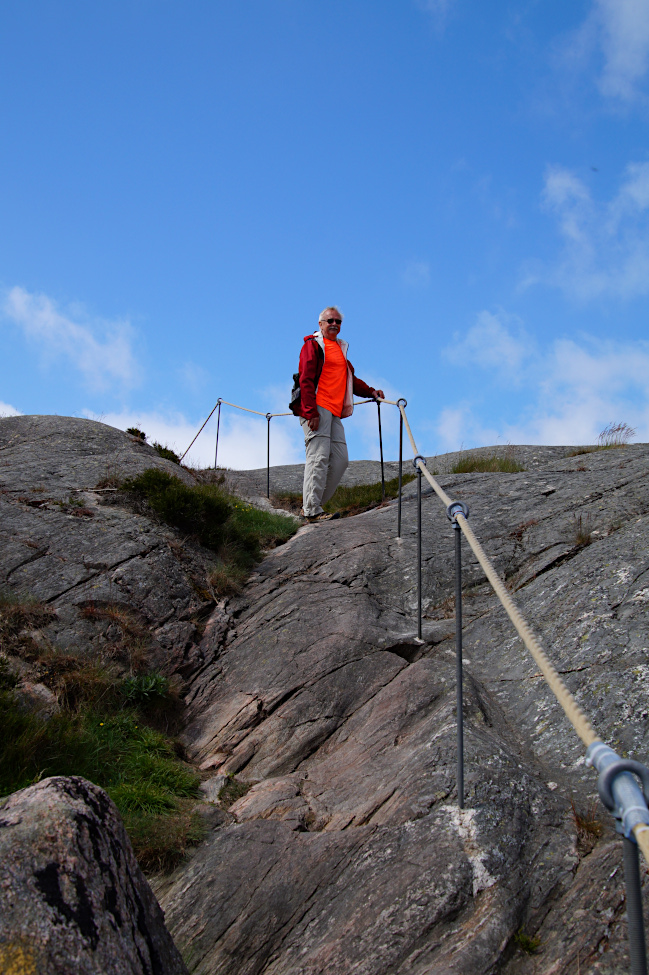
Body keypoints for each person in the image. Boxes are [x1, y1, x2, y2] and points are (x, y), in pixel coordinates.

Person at [296, 306, 384, 522]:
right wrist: (310, 412)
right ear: (320, 324)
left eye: (338, 321)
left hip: (334, 412)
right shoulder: (313, 345)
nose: (334, 324)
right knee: (318, 458)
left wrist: (371, 392)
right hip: (317, 408)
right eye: (329, 321)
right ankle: (311, 510)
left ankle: (311, 505)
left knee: (341, 460)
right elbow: (305, 379)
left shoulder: (340, 349)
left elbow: (351, 380)